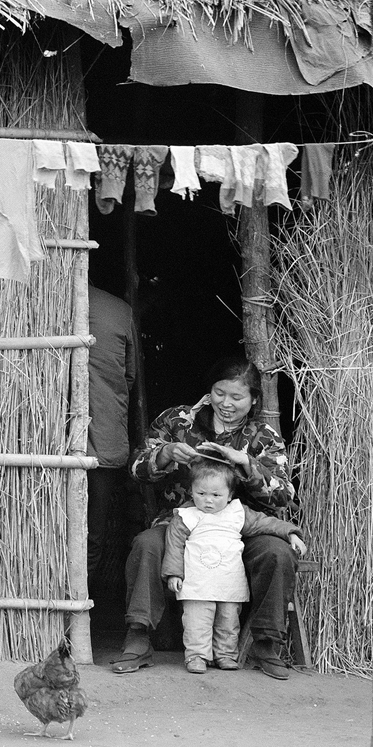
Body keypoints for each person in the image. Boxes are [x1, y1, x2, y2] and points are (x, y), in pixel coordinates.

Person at [111, 355, 300, 680]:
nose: (226, 403)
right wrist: (164, 454)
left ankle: (267, 644)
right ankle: (138, 637)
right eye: (219, 393)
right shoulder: (177, 421)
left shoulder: (263, 436)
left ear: (254, 399)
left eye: (237, 397)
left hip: (241, 529)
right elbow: (135, 469)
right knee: (147, 545)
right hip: (181, 526)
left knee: (277, 553)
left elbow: (284, 494)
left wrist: (246, 464)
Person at [162, 457, 307, 674]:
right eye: (201, 494)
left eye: (216, 495)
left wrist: (291, 533)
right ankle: (197, 655)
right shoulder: (186, 516)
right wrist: (174, 573)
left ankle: (226, 655)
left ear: (230, 495)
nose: (208, 501)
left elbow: (265, 523)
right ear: (191, 491)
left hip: (228, 580)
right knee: (197, 620)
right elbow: (174, 545)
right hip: (197, 581)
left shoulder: (238, 513)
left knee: (229, 620)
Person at [87, 284, 138, 593]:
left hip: (38, 441)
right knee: (91, 533)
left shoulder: (29, 299)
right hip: (103, 437)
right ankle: (76, 610)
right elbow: (129, 377)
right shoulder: (118, 309)